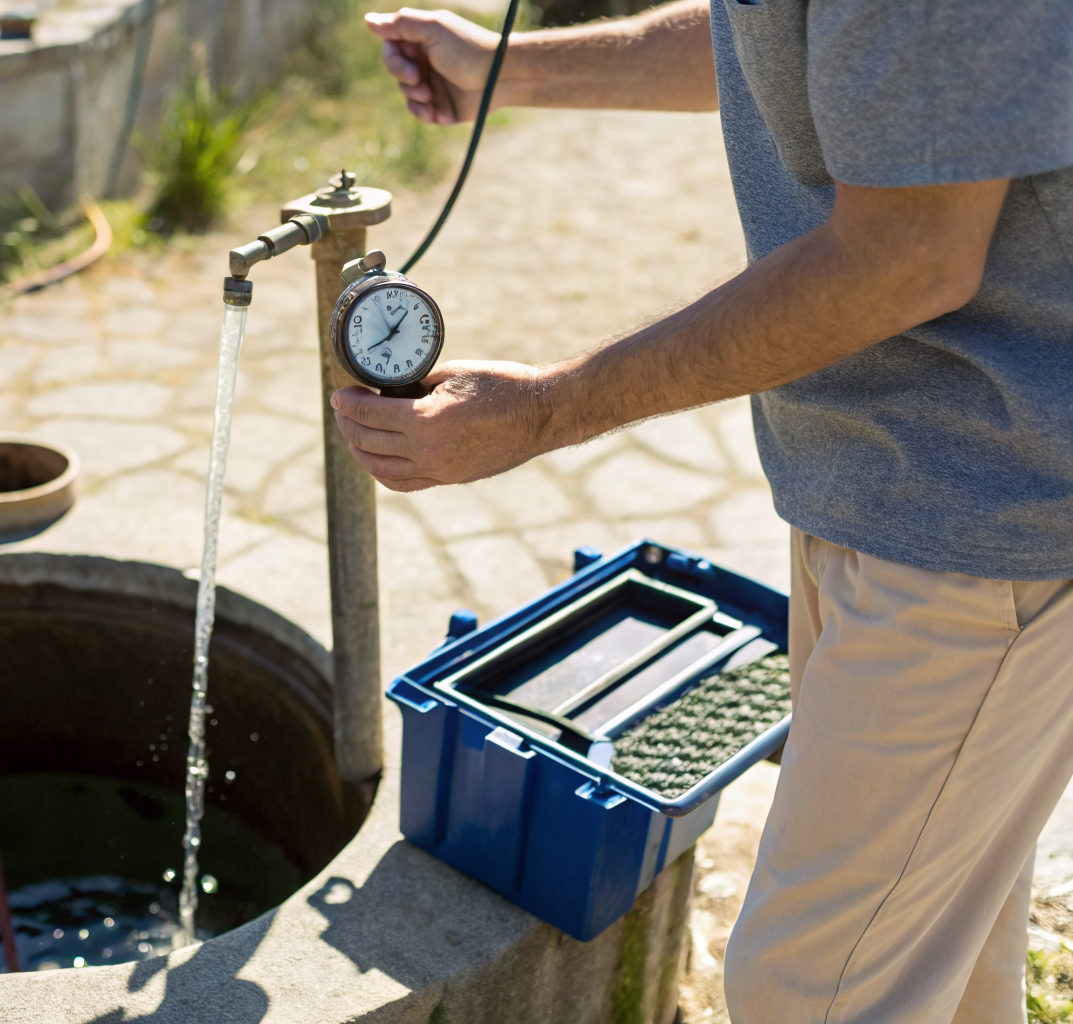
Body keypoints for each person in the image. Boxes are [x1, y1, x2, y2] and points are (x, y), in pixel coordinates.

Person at [343, 2, 1073, 1021]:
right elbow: (778, 35)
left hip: (985, 525)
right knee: (945, 956)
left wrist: (544, 410)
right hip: (890, 490)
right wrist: (506, 67)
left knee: (805, 990)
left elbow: (910, 254)